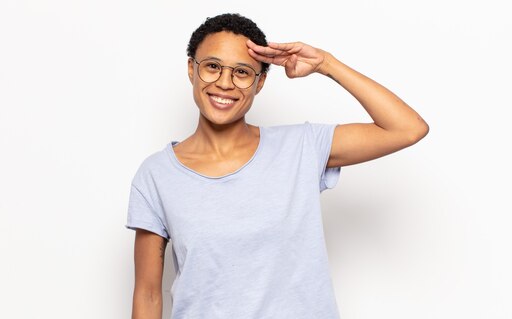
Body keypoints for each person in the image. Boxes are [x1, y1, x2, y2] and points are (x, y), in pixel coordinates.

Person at [125, 13, 428, 319]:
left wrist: (326, 63)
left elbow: (407, 128)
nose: (224, 83)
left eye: (242, 72)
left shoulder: (301, 148)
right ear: (192, 69)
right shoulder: (157, 175)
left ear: (260, 83)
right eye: (213, 67)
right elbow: (148, 294)